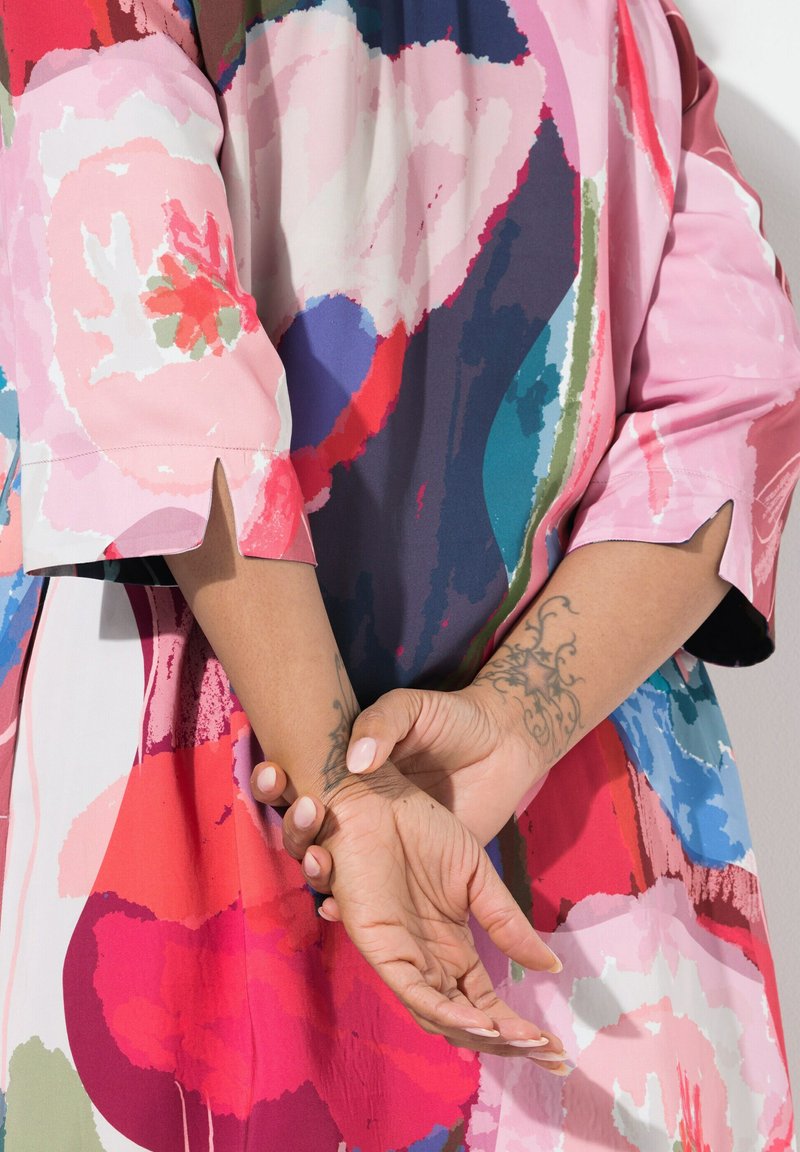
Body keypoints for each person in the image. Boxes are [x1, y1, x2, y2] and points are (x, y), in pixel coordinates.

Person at [0, 0, 797, 1148]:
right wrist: (509, 722)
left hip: (200, 782)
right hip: (576, 825)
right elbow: (728, 405)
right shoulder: (636, 23)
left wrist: (345, 786)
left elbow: (149, 346)